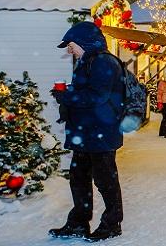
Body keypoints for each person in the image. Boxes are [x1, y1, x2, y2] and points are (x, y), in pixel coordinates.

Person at [49, 22, 124, 242]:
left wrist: (67, 97)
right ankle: (78, 223)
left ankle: (112, 224)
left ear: (84, 41)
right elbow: (87, 92)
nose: (69, 50)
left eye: (70, 45)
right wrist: (66, 94)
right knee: (79, 180)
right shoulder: (88, 61)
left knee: (105, 181)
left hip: (101, 134)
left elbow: (97, 96)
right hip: (86, 133)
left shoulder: (103, 62)